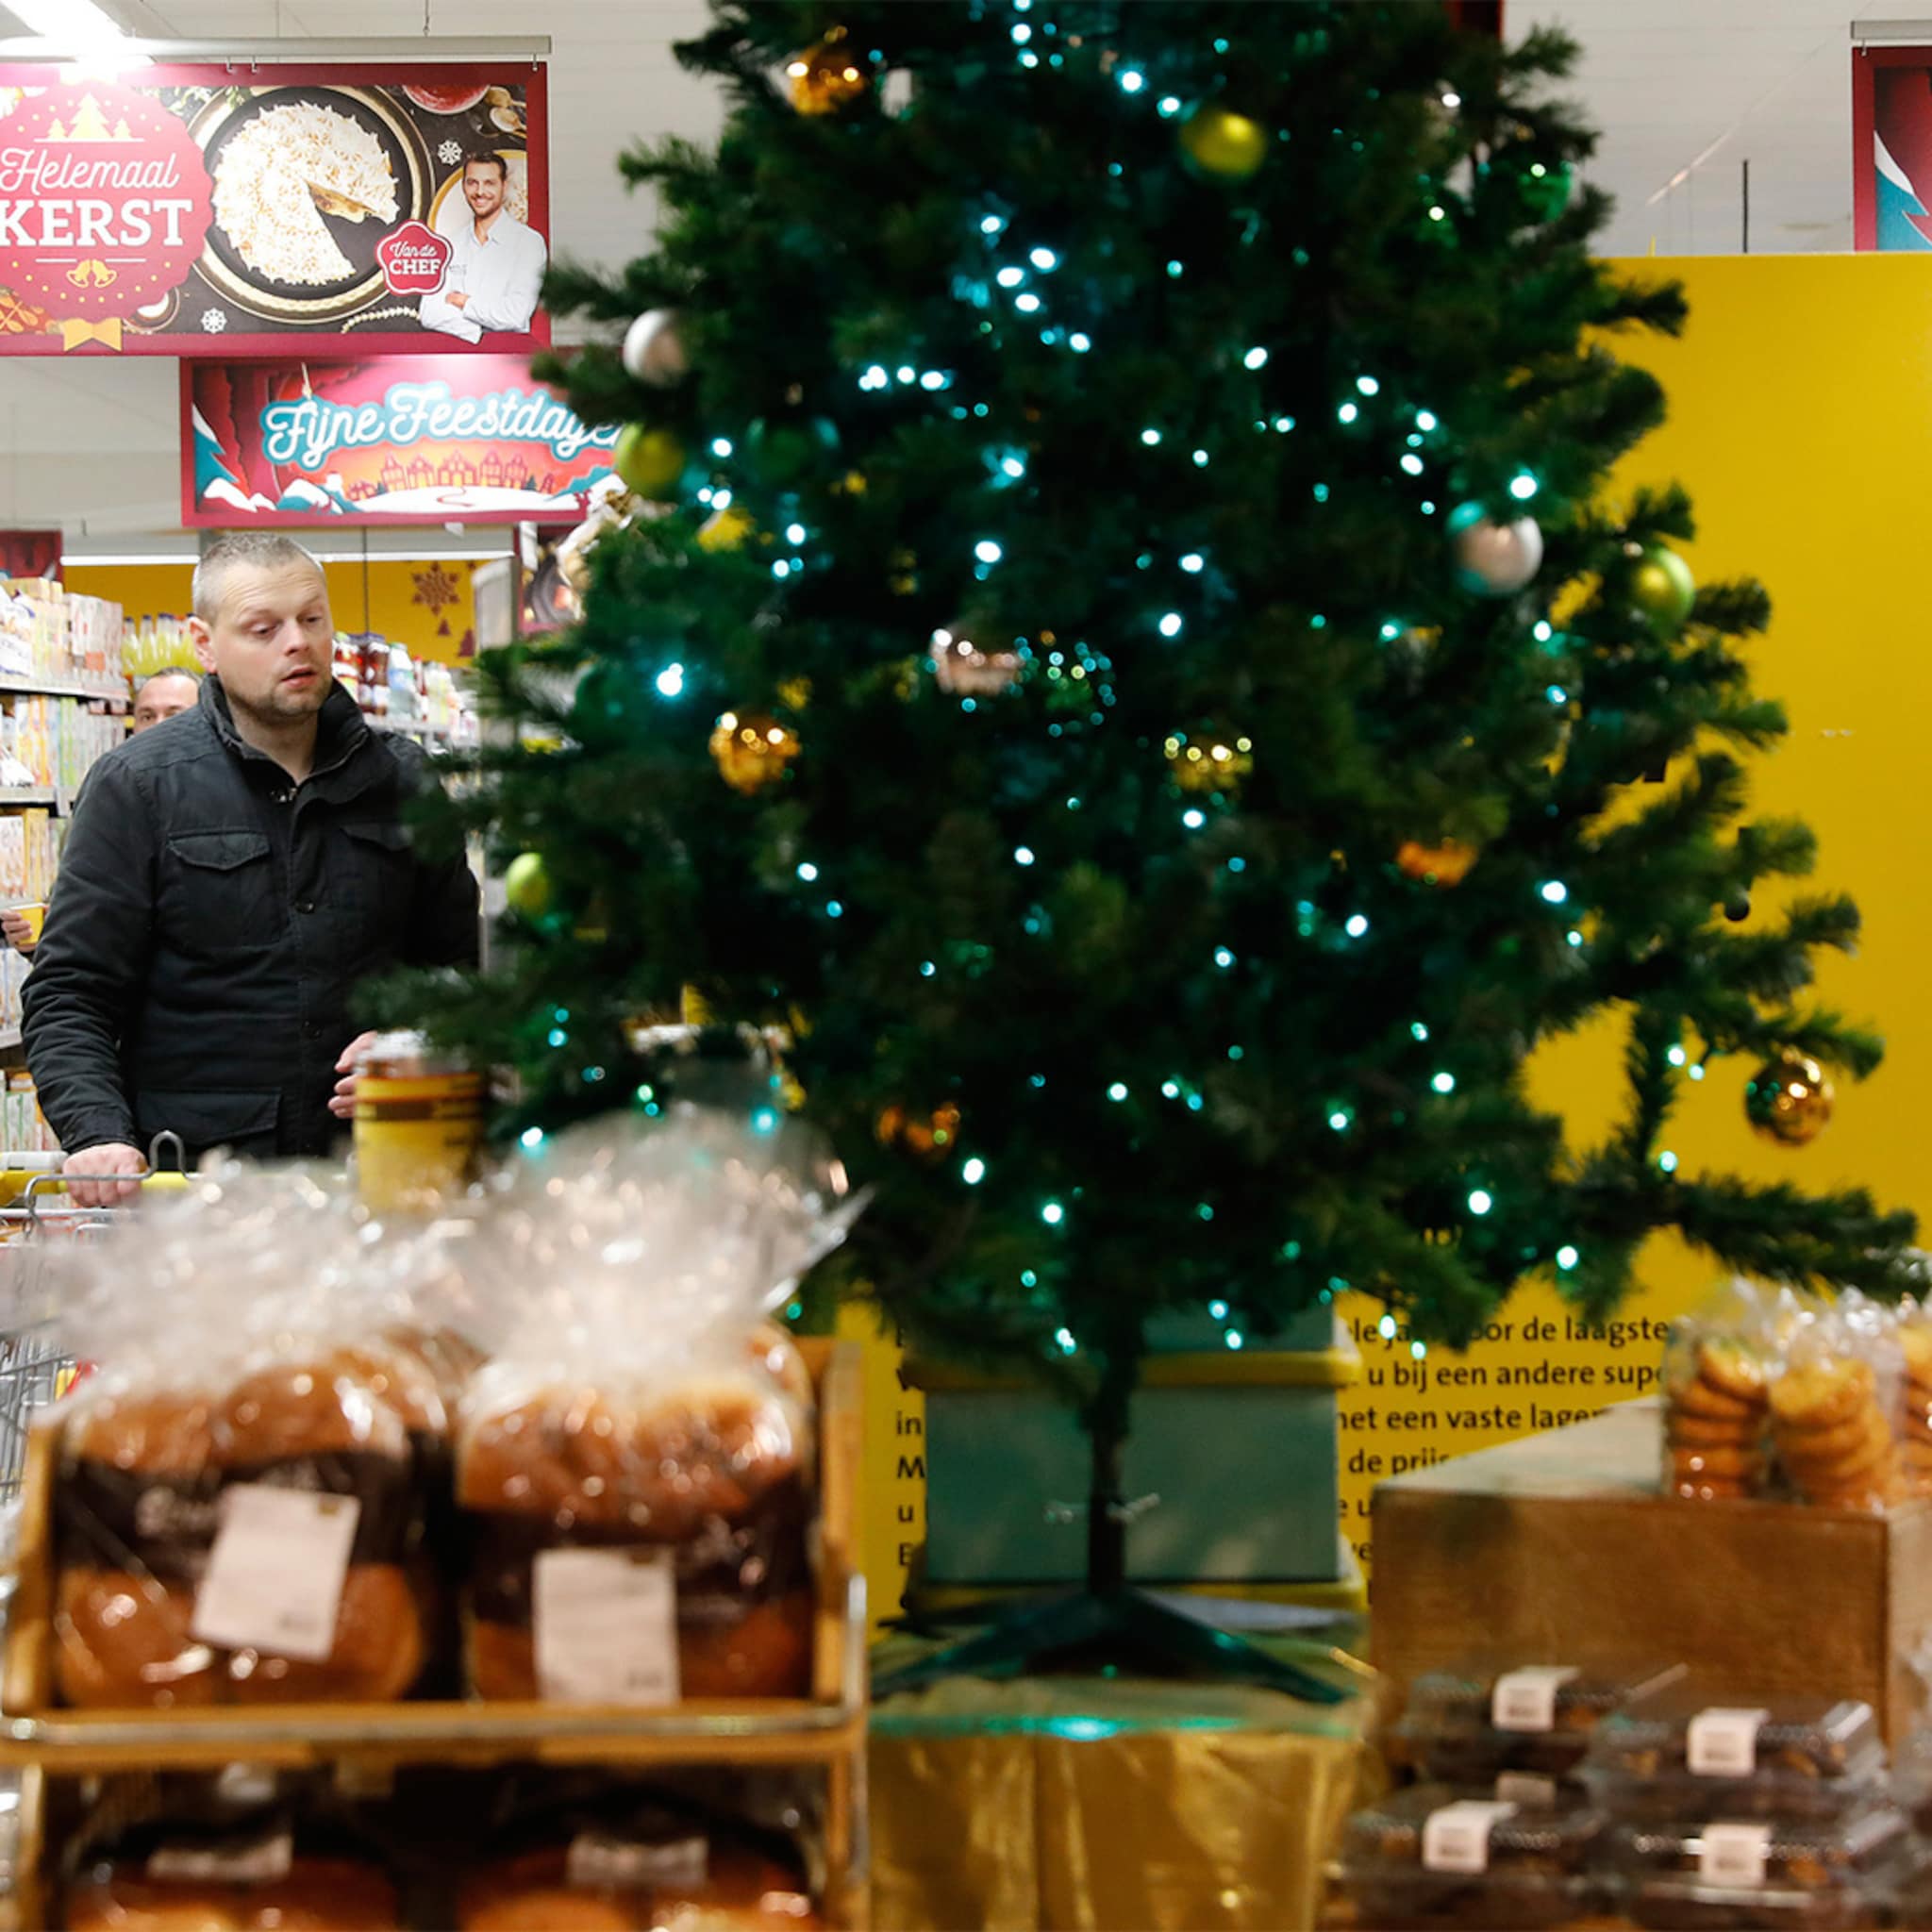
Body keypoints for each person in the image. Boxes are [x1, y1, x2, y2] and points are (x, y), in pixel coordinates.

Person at [23, 533, 480, 1205]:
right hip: (194, 1192)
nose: (296, 643)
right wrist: (96, 1133)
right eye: (263, 629)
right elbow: (71, 992)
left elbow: (460, 967)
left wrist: (420, 1039)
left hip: (375, 1178)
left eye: (312, 620)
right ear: (203, 643)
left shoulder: (403, 779)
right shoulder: (139, 785)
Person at [1, 669, 205, 958]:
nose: (159, 727)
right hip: (131, 998)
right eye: (147, 716)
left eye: (175, 715)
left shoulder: (236, 797)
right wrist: (44, 939)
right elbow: (78, 932)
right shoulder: (106, 802)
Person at [417, 152, 547, 342]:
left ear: (504, 186)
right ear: (463, 186)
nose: (479, 192)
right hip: (454, 361)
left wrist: (464, 302)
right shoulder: (450, 244)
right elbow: (429, 313)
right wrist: (482, 330)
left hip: (508, 357)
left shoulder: (528, 242)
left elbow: (516, 314)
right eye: (472, 182)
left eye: (489, 183)